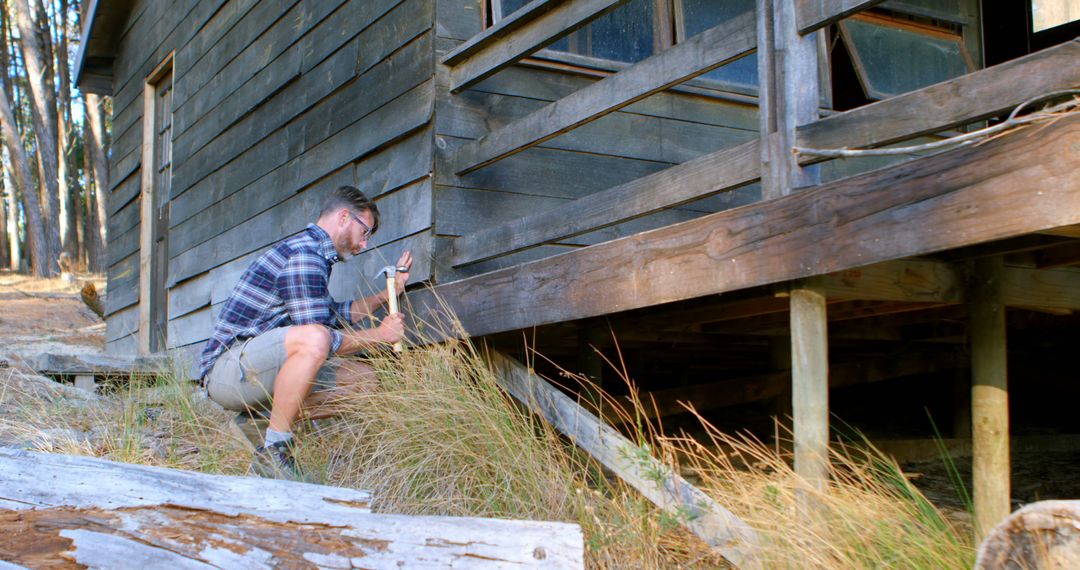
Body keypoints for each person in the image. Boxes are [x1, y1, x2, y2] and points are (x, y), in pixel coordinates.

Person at [199, 185, 411, 480]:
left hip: (258, 370)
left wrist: (388, 293)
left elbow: (333, 316)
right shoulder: (305, 255)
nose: (364, 245)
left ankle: (259, 422)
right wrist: (379, 335)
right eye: (365, 233)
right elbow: (320, 337)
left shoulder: (315, 255)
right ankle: (273, 453)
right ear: (344, 217)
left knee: (365, 382)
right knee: (314, 339)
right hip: (228, 372)